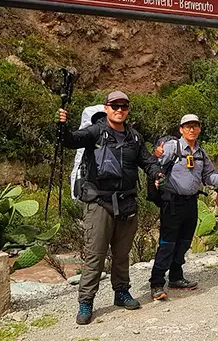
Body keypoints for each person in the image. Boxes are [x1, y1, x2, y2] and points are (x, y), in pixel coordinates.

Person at [57, 91, 163, 325]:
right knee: (95, 255)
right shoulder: (96, 132)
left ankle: (121, 292)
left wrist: (157, 173)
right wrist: (62, 126)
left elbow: (147, 161)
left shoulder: (134, 137)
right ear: (106, 108)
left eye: (124, 106)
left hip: (127, 202)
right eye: (115, 105)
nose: (119, 110)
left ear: (128, 110)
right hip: (99, 202)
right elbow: (70, 141)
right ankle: (86, 302)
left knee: (122, 254)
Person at [148, 114, 218, 301]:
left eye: (195, 126)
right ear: (181, 129)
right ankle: (156, 283)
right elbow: (154, 165)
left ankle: (176, 277)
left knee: (184, 242)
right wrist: (156, 164)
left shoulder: (201, 154)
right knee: (167, 243)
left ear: (199, 129)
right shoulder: (173, 147)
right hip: (171, 203)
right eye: (187, 126)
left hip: (191, 203)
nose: (191, 129)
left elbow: (208, 178)